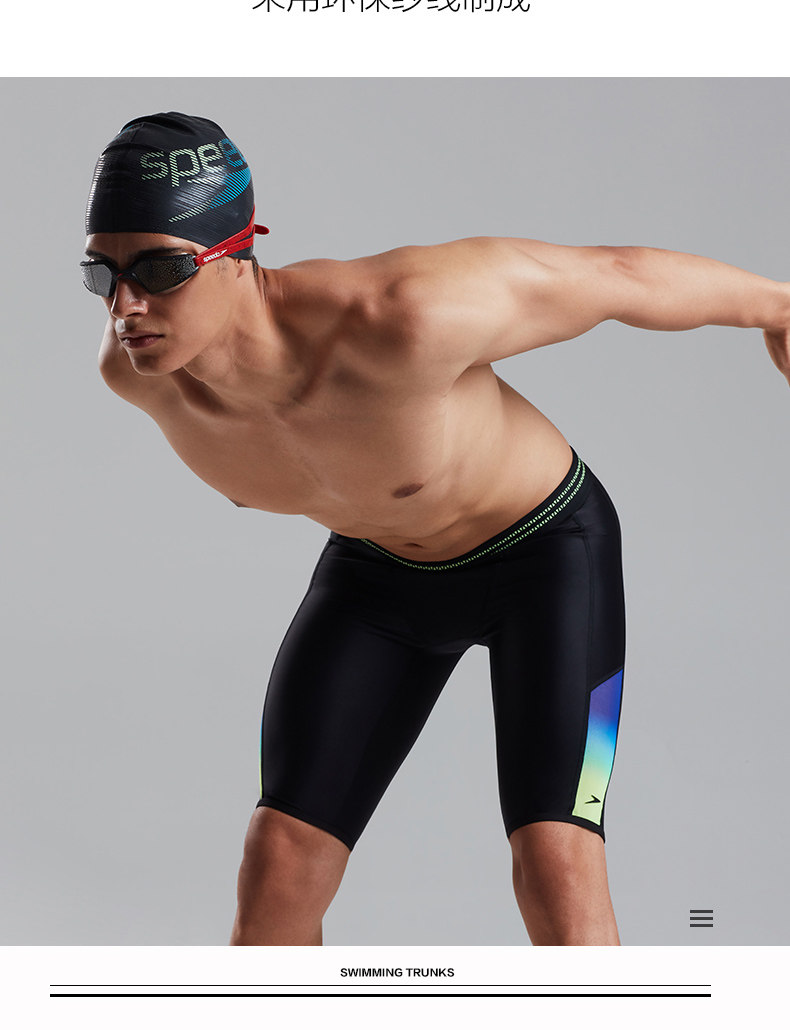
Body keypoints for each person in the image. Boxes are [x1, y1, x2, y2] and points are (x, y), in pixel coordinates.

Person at [82, 111, 790, 947]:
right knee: (278, 866)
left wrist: (779, 308)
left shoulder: (402, 316)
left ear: (240, 252)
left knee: (556, 864)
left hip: (548, 559)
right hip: (378, 574)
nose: (127, 305)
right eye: (103, 274)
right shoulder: (139, 376)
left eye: (162, 269)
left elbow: (615, 276)